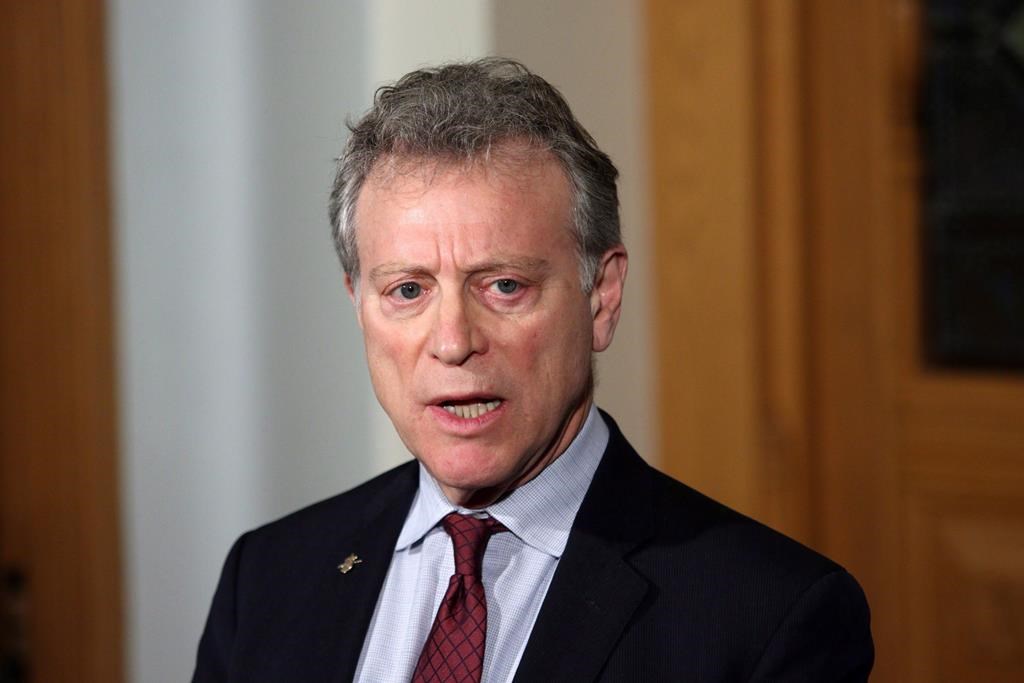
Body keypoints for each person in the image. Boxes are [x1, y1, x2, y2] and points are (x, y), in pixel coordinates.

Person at [193, 57, 873, 683]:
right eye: (408, 290)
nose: (453, 341)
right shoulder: (267, 578)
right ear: (358, 307)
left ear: (600, 298)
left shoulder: (769, 618)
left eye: (504, 286)